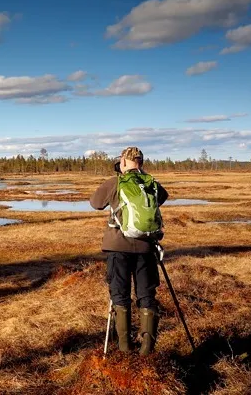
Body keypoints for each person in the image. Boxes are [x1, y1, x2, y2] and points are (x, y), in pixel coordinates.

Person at [90, 146, 169, 355]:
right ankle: (147, 351)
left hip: (118, 247)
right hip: (146, 247)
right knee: (147, 295)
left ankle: (124, 349)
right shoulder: (151, 183)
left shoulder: (116, 182)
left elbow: (95, 203)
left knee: (120, 295)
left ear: (123, 162)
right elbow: (162, 197)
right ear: (141, 163)